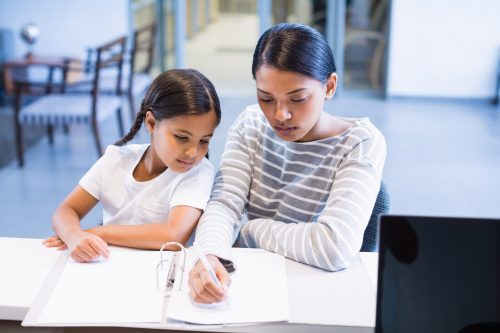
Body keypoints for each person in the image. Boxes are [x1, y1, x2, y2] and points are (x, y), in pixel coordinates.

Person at [188, 23, 386, 304]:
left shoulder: (360, 142)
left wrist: (251, 231)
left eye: (298, 99)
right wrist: (208, 255)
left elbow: (334, 247)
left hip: (319, 288)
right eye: (265, 98)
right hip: (261, 282)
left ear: (329, 86)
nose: (280, 114)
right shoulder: (251, 123)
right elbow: (224, 202)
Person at [43, 69, 221, 263]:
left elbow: (173, 235)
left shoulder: (198, 171)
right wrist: (73, 236)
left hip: (162, 274)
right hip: (108, 266)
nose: (193, 152)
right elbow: (66, 210)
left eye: (204, 140)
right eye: (182, 138)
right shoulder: (116, 159)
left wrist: (98, 232)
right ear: (152, 123)